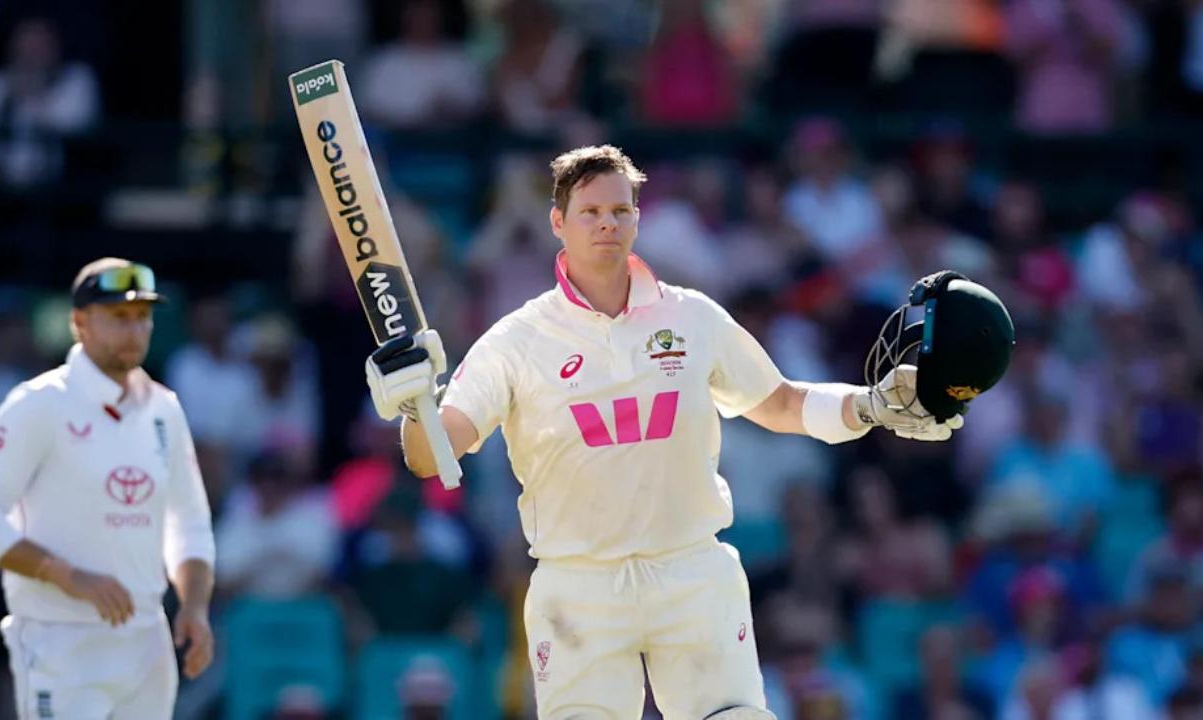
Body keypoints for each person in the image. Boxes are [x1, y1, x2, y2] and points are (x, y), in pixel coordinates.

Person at [364, 145, 1007, 718]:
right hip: (578, 584)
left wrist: (868, 406)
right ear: (558, 223)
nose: (607, 224)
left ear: (638, 219)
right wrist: (414, 406)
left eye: (620, 210)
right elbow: (434, 455)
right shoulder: (516, 341)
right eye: (589, 212)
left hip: (691, 570)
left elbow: (779, 402)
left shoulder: (693, 318)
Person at [0, 257, 216, 718]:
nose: (134, 330)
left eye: (142, 318)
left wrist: (194, 606)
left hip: (146, 642)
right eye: (118, 318)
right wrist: (67, 576)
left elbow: (188, 520)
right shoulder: (38, 405)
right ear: (80, 323)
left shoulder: (164, 409)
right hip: (61, 639)